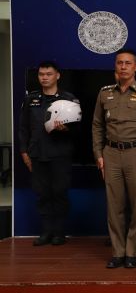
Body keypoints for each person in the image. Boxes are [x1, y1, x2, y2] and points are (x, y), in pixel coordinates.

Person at [92, 48, 136, 269]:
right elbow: (97, 126)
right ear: (115, 66)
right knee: (115, 207)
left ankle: (132, 252)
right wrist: (98, 154)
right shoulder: (105, 93)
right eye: (119, 63)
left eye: (128, 63)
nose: (123, 67)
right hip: (111, 154)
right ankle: (118, 252)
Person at [19, 61, 80, 246]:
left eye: (48, 74)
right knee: (43, 194)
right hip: (37, 154)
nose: (44, 78)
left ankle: (59, 233)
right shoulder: (31, 99)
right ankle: (46, 232)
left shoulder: (68, 99)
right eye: (41, 74)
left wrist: (66, 129)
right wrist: (24, 151)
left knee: (59, 193)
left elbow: (79, 130)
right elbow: (23, 128)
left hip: (60, 154)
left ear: (57, 76)